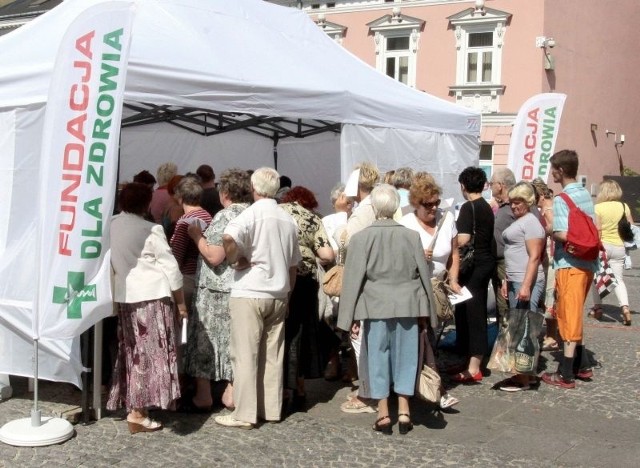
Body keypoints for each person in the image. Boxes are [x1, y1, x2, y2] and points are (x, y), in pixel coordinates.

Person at [338, 184, 436, 435]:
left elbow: (353, 281)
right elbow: (423, 277)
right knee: (407, 357)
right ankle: (404, 410)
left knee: (377, 359)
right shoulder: (411, 236)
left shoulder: (361, 239)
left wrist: (348, 317)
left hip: (374, 306)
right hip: (408, 305)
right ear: (394, 208)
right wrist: (427, 313)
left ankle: (383, 413)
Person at [215, 167, 301, 429]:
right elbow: (293, 265)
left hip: (250, 292)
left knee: (245, 354)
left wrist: (235, 259)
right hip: (278, 292)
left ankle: (245, 413)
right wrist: (287, 293)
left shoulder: (249, 214)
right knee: (272, 355)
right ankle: (270, 409)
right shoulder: (288, 220)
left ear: (254, 188)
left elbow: (228, 237)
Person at [107, 182, 186, 434]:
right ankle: (138, 412)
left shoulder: (112, 224)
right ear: (145, 203)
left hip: (126, 297)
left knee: (133, 354)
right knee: (149, 356)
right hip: (152, 296)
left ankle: (136, 407)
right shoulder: (150, 228)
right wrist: (181, 303)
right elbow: (170, 267)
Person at [184, 169, 252, 412]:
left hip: (216, 291)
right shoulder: (252, 213)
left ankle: (205, 395)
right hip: (240, 287)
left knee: (207, 341)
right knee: (233, 342)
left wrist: (196, 236)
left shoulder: (227, 216)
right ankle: (231, 391)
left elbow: (214, 256)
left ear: (225, 193)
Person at [400, 177, 461, 408]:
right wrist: (415, 256)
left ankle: (419, 384)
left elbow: (455, 253)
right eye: (428, 204)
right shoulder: (406, 223)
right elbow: (398, 260)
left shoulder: (448, 220)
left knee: (428, 337)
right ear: (416, 203)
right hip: (414, 289)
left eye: (436, 202)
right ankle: (436, 388)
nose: (434, 208)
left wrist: (454, 279)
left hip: (438, 289)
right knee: (424, 336)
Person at [542, 150, 597, 389]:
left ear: (561, 170)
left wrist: (550, 230)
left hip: (570, 264)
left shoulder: (562, 199)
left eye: (553, 168)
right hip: (587, 264)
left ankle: (565, 372)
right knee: (575, 313)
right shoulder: (585, 194)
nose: (551, 172)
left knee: (568, 315)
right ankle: (581, 364)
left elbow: (565, 234)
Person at [279, 186, 335, 412]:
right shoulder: (311, 219)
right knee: (300, 336)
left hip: (277, 280)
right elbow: (327, 254)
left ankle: (279, 390)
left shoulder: (276, 212)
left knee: (280, 334)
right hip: (304, 282)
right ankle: (300, 388)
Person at [333, 161, 380, 414]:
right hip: (374, 279)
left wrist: (341, 215)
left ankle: (367, 393)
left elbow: (346, 240)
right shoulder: (373, 205)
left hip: (363, 281)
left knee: (360, 338)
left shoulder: (364, 209)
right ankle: (371, 388)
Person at [498, 182, 546, 391]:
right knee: (521, 326)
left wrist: (526, 285)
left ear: (528, 202)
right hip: (515, 278)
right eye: (512, 202)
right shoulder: (523, 220)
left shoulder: (531, 222)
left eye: (518, 202)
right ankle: (526, 374)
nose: (514, 206)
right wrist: (506, 280)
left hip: (526, 280)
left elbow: (535, 257)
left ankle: (523, 377)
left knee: (525, 328)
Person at [451, 167, 495, 383]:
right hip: (485, 262)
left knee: (474, 313)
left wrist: (450, 239)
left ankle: (474, 366)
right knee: (470, 311)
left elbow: (464, 239)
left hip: (473, 265)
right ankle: (470, 359)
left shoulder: (469, 207)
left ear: (463, 186)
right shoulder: (486, 206)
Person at [588, 179, 634, 326]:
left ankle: (598, 308)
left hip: (604, 246)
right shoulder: (624, 206)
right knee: (619, 279)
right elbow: (631, 226)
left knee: (598, 277)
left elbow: (598, 230)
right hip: (620, 246)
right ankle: (625, 308)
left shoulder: (598, 208)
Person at [170, 176, 212, 310]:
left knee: (184, 323)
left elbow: (177, 254)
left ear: (180, 197)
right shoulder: (208, 215)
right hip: (203, 275)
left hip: (187, 278)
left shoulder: (185, 221)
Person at [531, 178, 559, 351]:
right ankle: (551, 333)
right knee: (549, 296)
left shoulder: (548, 209)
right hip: (550, 255)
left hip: (551, 255)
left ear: (540, 195)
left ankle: (551, 336)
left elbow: (553, 229)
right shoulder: (552, 206)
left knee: (550, 295)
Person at [489, 168, 517, 325]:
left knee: (505, 303)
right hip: (498, 261)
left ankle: (506, 342)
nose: (490, 186)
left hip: (507, 261)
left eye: (491, 183)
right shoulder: (504, 206)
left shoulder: (516, 205)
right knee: (502, 305)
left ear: (500, 185)